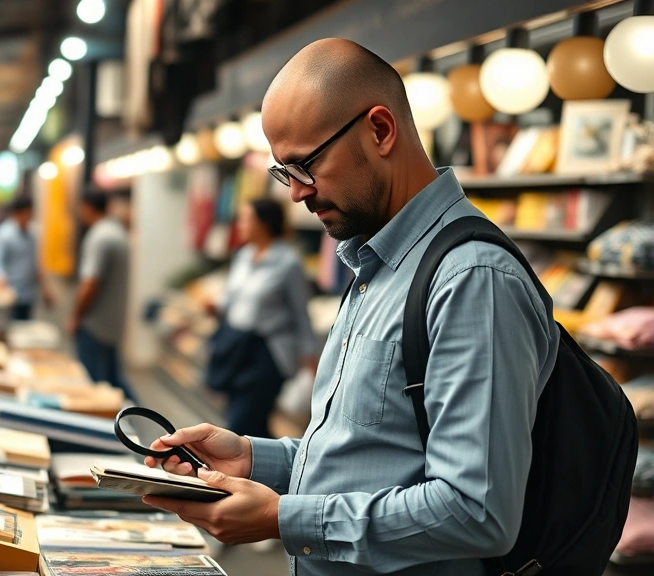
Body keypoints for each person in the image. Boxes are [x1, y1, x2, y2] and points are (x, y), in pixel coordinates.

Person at [142, 38, 559, 576]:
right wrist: (253, 457)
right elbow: (367, 456)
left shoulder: (472, 279)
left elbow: (476, 510)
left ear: (380, 131)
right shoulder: (374, 264)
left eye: (306, 165)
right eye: (284, 172)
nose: (297, 193)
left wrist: (285, 520)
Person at [206, 198, 317, 439]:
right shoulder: (243, 256)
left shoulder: (288, 263)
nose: (240, 224)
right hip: (237, 348)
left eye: (247, 218)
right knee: (251, 425)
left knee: (241, 422)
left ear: (264, 223)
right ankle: (274, 470)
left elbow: (301, 313)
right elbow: (232, 296)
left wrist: (310, 360)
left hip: (267, 353)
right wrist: (216, 306)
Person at [68, 191, 137, 402]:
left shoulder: (99, 237)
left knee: (96, 387)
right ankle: (141, 417)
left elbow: (90, 283)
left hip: (95, 325)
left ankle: (127, 424)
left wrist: (76, 316)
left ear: (88, 207)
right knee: (114, 379)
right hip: (112, 324)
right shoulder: (118, 233)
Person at [0, 195, 52, 321]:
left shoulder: (32, 234)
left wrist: (45, 289)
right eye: (26, 214)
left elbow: (35, 263)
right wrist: (1, 285)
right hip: (9, 295)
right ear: (17, 213)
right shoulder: (3, 234)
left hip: (28, 295)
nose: (29, 218)